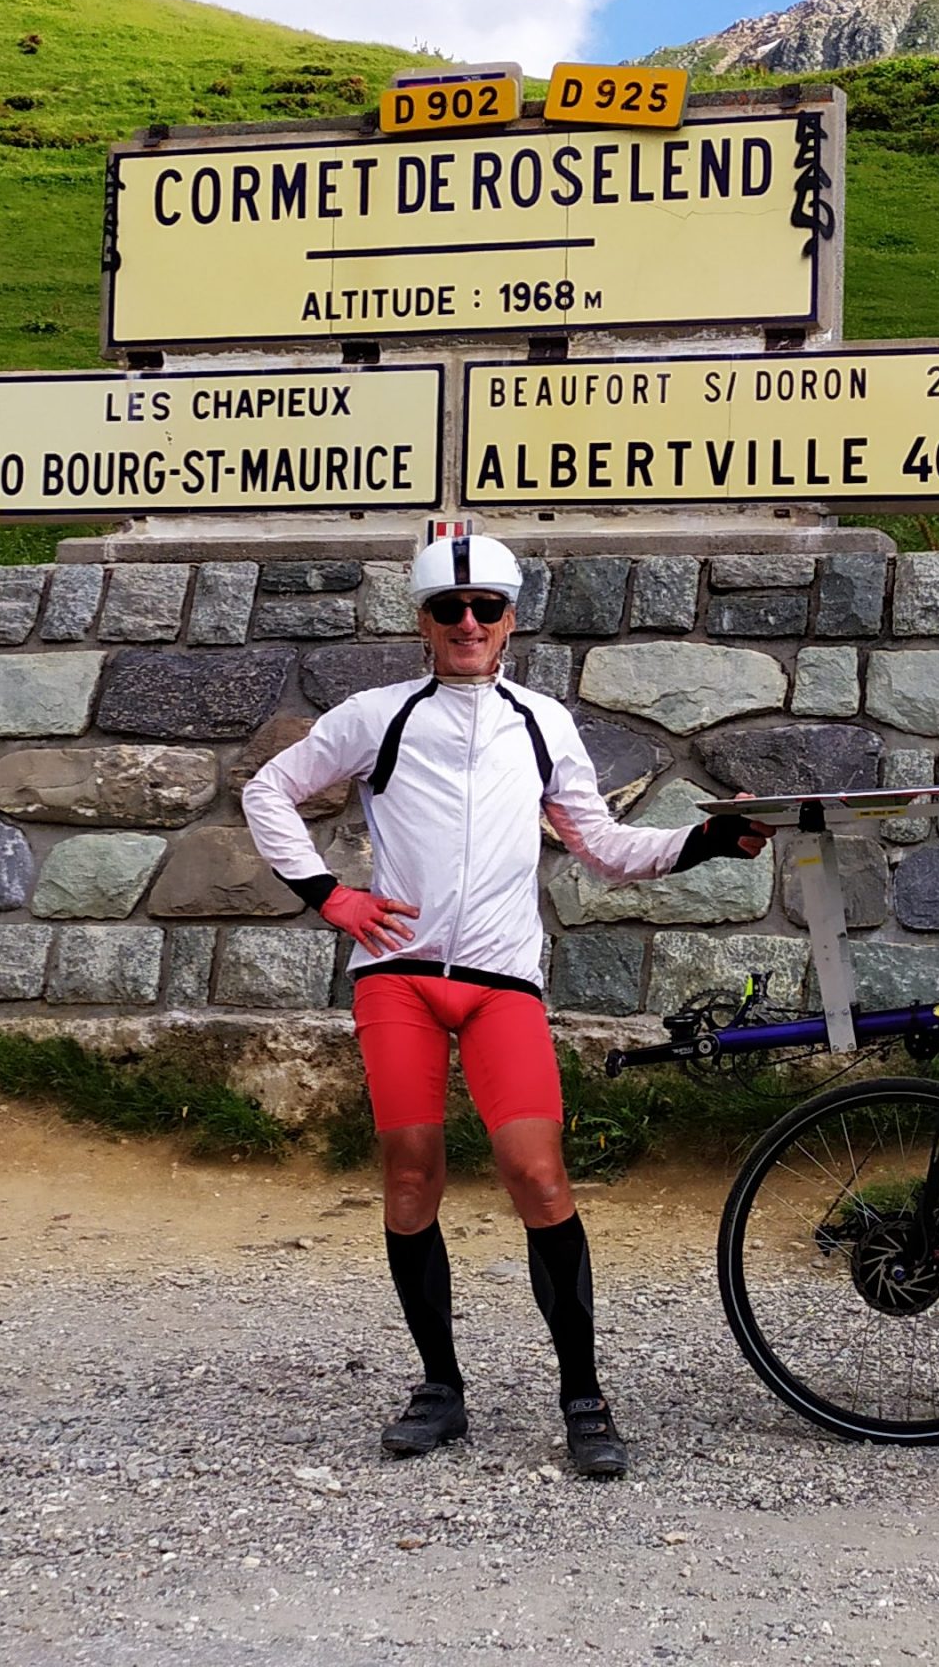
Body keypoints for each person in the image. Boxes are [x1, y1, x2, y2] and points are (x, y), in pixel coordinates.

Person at [241, 532, 766, 1477]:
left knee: (538, 1177)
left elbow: (602, 846)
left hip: (501, 982)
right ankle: (440, 1388)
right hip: (399, 975)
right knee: (411, 1174)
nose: (468, 623)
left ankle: (584, 1397)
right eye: (449, 609)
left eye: (486, 608)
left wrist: (707, 841)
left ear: (511, 619)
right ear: (423, 622)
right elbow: (269, 790)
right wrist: (329, 895)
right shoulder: (378, 716)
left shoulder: (541, 722)